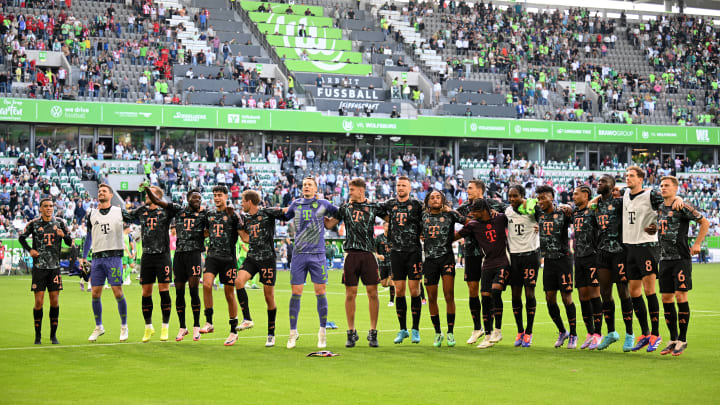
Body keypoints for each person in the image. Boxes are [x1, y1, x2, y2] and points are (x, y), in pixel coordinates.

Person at [623, 166, 680, 353]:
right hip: (630, 246)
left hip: (647, 246)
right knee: (634, 292)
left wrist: (677, 199)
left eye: (631, 176)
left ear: (641, 179)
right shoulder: (624, 194)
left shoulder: (651, 195)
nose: (627, 178)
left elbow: (668, 204)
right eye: (626, 175)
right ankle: (645, 333)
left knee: (649, 290)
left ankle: (656, 333)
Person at [325, 178, 383, 348]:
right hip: (351, 255)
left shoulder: (373, 206)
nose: (349, 192)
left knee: (373, 293)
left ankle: (373, 332)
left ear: (361, 190)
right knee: (350, 294)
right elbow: (329, 225)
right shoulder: (345, 207)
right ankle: (351, 332)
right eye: (349, 189)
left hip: (368, 255)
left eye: (352, 189)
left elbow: (391, 218)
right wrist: (315, 211)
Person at [146, 187, 207, 342]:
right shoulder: (178, 210)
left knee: (194, 291)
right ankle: (182, 327)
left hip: (194, 255)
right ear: (188, 199)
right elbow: (158, 201)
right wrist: (147, 189)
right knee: (179, 292)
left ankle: (196, 326)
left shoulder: (205, 214)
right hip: (179, 255)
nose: (197, 201)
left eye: (199, 199)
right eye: (195, 198)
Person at [283, 177, 338, 349]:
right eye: (304, 185)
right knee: (296, 292)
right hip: (299, 254)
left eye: (310, 185)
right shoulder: (296, 204)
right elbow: (284, 216)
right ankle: (293, 332)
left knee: (320, 291)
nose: (306, 187)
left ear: (316, 189)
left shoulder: (324, 204)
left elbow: (339, 214)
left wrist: (329, 224)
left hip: (318, 254)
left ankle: (322, 331)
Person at [657, 176, 709, 356]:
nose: (663, 188)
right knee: (666, 299)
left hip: (681, 258)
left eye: (667, 186)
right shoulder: (659, 207)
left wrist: (697, 244)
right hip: (664, 259)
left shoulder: (682, 206)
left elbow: (705, 222)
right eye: (662, 185)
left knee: (681, 296)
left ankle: (683, 339)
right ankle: (672, 339)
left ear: (676, 189)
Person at [124, 184, 180, 342]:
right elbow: (126, 216)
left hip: (163, 256)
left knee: (164, 291)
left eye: (150, 195)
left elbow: (178, 208)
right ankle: (148, 327)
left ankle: (165, 326)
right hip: (147, 256)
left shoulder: (166, 211)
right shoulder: (142, 210)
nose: (146, 197)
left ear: (157, 197)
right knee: (146, 292)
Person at [456, 198, 509, 349]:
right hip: (487, 265)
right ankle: (487, 336)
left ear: (483, 210)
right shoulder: (473, 225)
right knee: (485, 299)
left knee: (495, 291)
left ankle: (497, 330)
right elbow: (456, 236)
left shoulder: (500, 218)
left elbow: (517, 219)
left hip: (503, 262)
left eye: (474, 211)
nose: (472, 214)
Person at [19, 198, 73, 344]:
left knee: (54, 301)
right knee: (39, 302)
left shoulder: (60, 223)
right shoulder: (34, 224)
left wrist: (64, 236)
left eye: (51, 206)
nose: (49, 208)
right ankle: (38, 336)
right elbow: (21, 238)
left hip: (54, 268)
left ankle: (53, 335)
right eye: (46, 206)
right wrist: (30, 250)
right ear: (40, 209)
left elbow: (70, 242)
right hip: (39, 268)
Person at [237, 190, 285, 347]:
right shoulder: (246, 218)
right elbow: (245, 238)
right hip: (252, 257)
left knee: (268, 296)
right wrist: (238, 226)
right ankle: (247, 319)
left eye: (243, 201)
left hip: (267, 259)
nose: (241, 204)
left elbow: (284, 212)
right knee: (238, 281)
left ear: (250, 201)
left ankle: (271, 333)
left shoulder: (266, 212)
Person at [81, 184, 130, 342]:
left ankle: (124, 326)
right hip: (97, 258)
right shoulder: (91, 214)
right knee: (95, 293)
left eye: (104, 191)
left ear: (110, 195)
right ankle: (99, 326)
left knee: (118, 292)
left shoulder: (119, 211)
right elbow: (89, 236)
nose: (101, 193)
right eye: (100, 191)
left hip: (114, 257)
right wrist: (83, 256)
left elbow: (134, 218)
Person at [592, 174, 635, 351]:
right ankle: (611, 332)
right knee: (605, 293)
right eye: (599, 181)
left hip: (619, 252)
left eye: (603, 182)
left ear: (612, 186)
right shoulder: (595, 205)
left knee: (623, 292)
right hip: (602, 252)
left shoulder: (619, 202)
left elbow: (635, 194)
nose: (599, 183)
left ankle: (630, 334)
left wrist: (621, 191)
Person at [380, 176, 425, 344]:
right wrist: (389, 220)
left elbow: (427, 219)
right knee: (399, 291)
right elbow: (376, 210)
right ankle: (402, 329)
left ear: (410, 188)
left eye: (403, 185)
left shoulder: (417, 205)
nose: (400, 188)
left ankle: (415, 329)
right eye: (398, 185)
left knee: (414, 291)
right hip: (396, 253)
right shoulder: (390, 204)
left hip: (413, 252)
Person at [536, 185, 577, 349]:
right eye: (538, 198)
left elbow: (578, 215)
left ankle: (574, 334)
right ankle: (562, 331)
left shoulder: (563, 213)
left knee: (566, 298)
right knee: (549, 298)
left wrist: (569, 207)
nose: (540, 201)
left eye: (544, 198)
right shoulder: (537, 213)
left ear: (552, 198)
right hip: (549, 261)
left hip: (564, 259)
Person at [421, 190, 464, 347]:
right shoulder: (423, 216)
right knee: (431, 297)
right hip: (430, 261)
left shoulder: (450, 215)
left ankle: (450, 332)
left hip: (446, 258)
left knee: (448, 295)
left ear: (443, 199)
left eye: (438, 197)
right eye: (432, 197)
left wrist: (452, 210)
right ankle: (438, 332)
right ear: (428, 201)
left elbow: (468, 222)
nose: (435, 199)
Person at [201, 185, 242, 346]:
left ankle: (233, 331)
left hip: (228, 259)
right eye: (215, 195)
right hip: (212, 256)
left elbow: (242, 231)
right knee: (206, 284)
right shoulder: (209, 214)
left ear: (226, 196)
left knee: (229, 294)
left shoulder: (232, 214)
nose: (217, 198)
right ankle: (209, 322)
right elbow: (204, 231)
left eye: (220, 195)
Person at [505, 185, 541, 348]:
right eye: (510, 196)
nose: (512, 199)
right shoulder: (507, 212)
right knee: (515, 295)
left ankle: (529, 331)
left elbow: (547, 217)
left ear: (522, 196)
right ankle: (519, 331)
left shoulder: (533, 209)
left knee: (529, 294)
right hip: (514, 257)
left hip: (531, 255)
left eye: (515, 196)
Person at [571, 185, 603, 350]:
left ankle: (598, 333)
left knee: (594, 293)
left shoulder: (594, 211)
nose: (573, 196)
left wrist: (592, 201)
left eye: (576, 194)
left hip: (593, 256)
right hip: (579, 258)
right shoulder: (574, 213)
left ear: (586, 195)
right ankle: (590, 333)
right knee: (583, 295)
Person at [455, 180, 486, 344]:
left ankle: (492, 329)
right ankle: (477, 328)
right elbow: (446, 218)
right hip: (471, 253)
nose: (467, 190)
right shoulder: (462, 210)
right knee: (473, 290)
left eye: (470, 188)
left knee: (489, 291)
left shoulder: (492, 205)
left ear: (480, 190)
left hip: (490, 253)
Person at [375, 222, 394, 307]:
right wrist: (378, 256)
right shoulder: (379, 238)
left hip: (392, 263)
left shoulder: (394, 238)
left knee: (391, 282)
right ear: (383, 227)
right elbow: (375, 250)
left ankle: (391, 301)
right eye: (386, 226)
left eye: (389, 226)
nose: (388, 228)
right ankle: (394, 286)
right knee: (384, 284)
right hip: (382, 264)